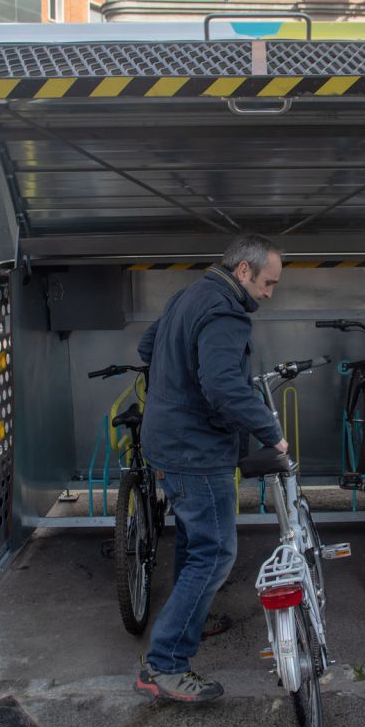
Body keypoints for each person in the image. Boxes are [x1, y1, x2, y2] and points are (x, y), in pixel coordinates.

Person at [133, 234, 288, 703]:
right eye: (267, 282)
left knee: (195, 543)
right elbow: (222, 386)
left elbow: (147, 347)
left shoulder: (190, 295)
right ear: (243, 271)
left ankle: (188, 623)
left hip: (167, 442)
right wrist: (270, 432)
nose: (269, 293)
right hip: (196, 452)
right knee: (215, 552)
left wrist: (175, 385)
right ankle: (165, 665)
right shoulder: (225, 312)